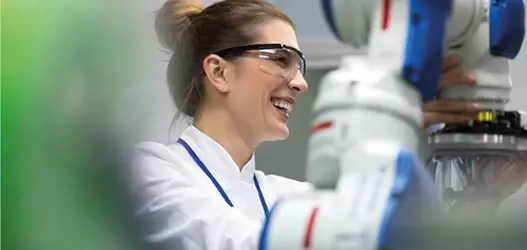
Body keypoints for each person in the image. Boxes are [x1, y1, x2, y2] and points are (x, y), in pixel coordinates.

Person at [130, 0, 483, 249]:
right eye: (282, 59)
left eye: (300, 65)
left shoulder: (284, 196)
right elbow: (229, 242)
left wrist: (486, 190)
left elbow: (401, 234)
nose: (301, 83)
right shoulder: (151, 172)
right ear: (219, 72)